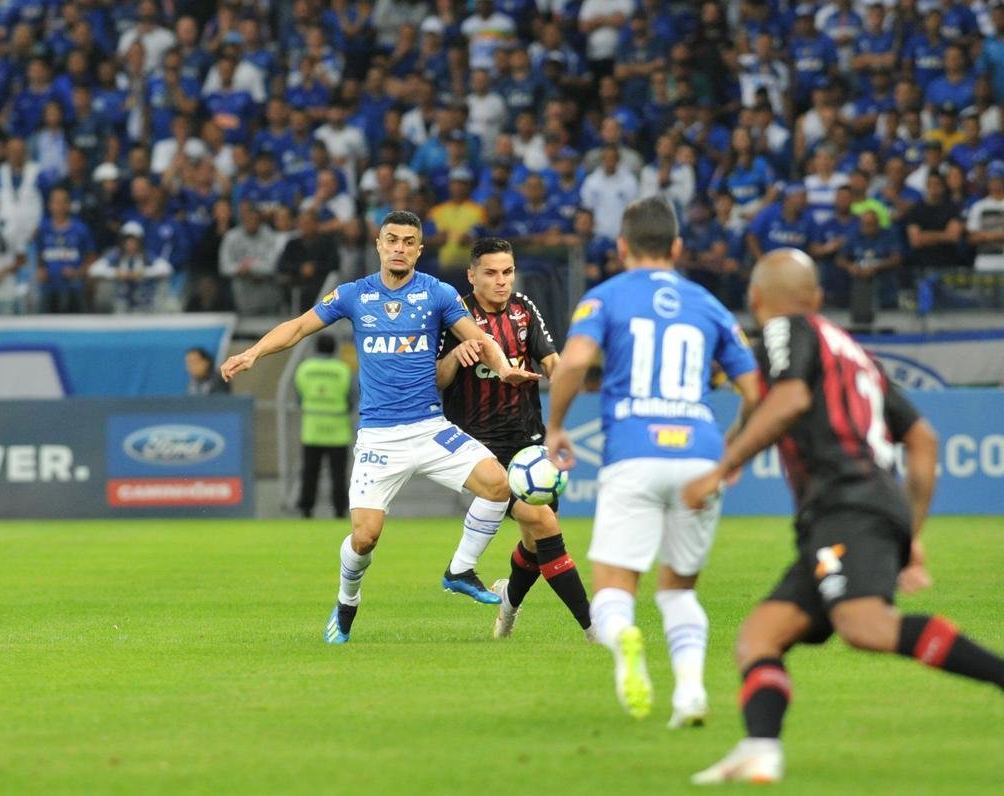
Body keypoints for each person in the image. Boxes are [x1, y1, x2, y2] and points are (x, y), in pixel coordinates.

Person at [683, 249, 1004, 784]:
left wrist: (722, 468)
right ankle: (760, 749)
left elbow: (788, 398)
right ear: (816, 297)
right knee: (761, 635)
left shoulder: (784, 329)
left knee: (864, 624)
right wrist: (910, 530)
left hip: (846, 503)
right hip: (854, 509)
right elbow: (923, 440)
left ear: (756, 301)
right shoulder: (853, 352)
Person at [220, 210, 537, 644]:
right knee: (365, 538)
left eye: (408, 242)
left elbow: (480, 340)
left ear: (419, 250)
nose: (399, 248)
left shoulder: (438, 293)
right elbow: (298, 327)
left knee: (498, 484)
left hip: (430, 427)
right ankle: (346, 601)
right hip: (379, 438)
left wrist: (503, 368)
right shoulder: (354, 294)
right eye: (392, 240)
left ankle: (460, 570)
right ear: (379, 245)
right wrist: (253, 353)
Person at [543, 197, 761, 725]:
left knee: (614, 592)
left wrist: (556, 426)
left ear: (622, 247)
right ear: (678, 247)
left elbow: (574, 361)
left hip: (633, 453)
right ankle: (690, 695)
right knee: (680, 591)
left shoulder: (605, 297)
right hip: (699, 457)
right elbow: (757, 391)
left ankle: (624, 639)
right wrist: (731, 449)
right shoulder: (708, 303)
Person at [435, 237, 593, 635]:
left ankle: (508, 603)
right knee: (544, 524)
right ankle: (594, 628)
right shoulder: (455, 317)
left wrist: (565, 377)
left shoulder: (523, 308)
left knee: (536, 542)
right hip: (481, 448)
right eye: (491, 273)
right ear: (472, 276)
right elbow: (436, 379)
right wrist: (455, 356)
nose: (501, 281)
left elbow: (552, 360)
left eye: (507, 272)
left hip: (529, 441)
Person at [294, 334, 354, 519]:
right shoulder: (343, 370)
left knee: (309, 472)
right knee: (338, 474)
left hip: (312, 428)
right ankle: (340, 509)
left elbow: (299, 398)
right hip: (337, 429)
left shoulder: (304, 369)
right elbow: (351, 398)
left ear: (316, 348)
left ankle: (306, 508)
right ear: (334, 349)